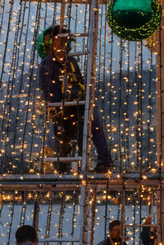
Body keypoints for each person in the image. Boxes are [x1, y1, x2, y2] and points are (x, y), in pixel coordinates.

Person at [38, 25, 112, 174]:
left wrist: (81, 95)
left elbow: (80, 82)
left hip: (79, 105)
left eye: (67, 42)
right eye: (61, 42)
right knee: (63, 135)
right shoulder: (48, 64)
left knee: (93, 123)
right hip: (62, 109)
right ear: (51, 43)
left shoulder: (71, 62)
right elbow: (50, 92)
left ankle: (103, 161)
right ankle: (63, 163)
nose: (65, 46)